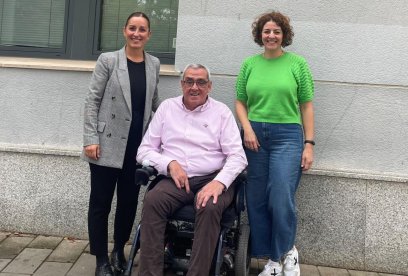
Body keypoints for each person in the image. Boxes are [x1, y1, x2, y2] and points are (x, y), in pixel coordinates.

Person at [135, 64, 247, 276]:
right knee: (153, 200)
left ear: (209, 86)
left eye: (201, 82)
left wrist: (219, 182)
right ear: (182, 84)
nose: (194, 87)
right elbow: (144, 151)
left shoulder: (221, 113)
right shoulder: (167, 108)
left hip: (213, 177)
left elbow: (238, 156)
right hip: (176, 179)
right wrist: (169, 164)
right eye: (189, 81)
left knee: (210, 205)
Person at [235, 11, 315, 276]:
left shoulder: (297, 64)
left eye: (276, 32)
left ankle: (287, 251)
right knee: (256, 199)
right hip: (254, 136)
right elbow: (240, 102)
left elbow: (306, 105)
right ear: (260, 34)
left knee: (280, 195)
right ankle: (271, 261)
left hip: (287, 137)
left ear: (284, 36)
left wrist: (309, 143)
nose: (271, 35)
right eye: (267, 31)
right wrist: (247, 130)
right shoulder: (249, 64)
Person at [82, 12, 160, 276]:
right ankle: (101, 260)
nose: (137, 34)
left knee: (128, 202)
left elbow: (154, 105)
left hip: (137, 147)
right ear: (125, 31)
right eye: (132, 28)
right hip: (106, 144)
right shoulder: (108, 60)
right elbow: (92, 101)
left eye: (142, 29)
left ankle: (118, 251)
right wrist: (90, 139)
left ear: (149, 34)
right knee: (101, 203)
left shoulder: (154, 64)